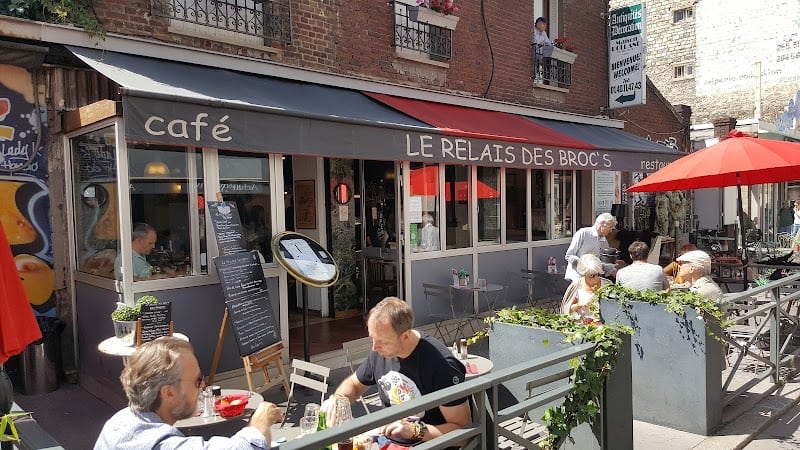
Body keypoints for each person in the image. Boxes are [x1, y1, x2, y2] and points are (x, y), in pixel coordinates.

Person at [321, 297, 470, 448]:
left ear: (405, 336)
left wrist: (416, 430)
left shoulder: (441, 366)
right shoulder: (381, 352)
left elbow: (462, 433)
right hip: (387, 441)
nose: (374, 348)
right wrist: (339, 398)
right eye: (372, 339)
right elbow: (354, 384)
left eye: (382, 341)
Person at [94, 336, 283, 449]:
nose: (202, 387)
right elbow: (246, 448)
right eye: (197, 381)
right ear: (168, 392)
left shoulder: (118, 422)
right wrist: (259, 423)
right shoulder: (159, 444)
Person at [564, 213, 620, 282]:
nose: (611, 231)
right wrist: (583, 263)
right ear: (602, 224)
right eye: (610, 227)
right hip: (577, 277)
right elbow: (569, 255)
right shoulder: (583, 233)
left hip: (593, 278)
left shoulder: (603, 240)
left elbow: (604, 262)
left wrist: (615, 273)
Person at [560, 254, 610, 321]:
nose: (596, 278)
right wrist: (579, 305)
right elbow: (568, 309)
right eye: (591, 276)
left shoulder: (607, 284)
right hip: (582, 325)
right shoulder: (577, 285)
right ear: (584, 274)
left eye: (598, 274)